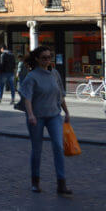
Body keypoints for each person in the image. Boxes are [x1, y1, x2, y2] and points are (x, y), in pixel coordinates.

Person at [19, 46, 72, 195]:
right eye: (44, 58)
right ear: (37, 59)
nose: (48, 60)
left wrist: (66, 112)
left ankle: (61, 184)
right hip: (37, 117)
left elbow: (60, 95)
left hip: (54, 115)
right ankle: (35, 182)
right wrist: (30, 115)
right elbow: (27, 98)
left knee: (58, 147)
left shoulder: (55, 74)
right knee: (37, 149)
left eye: (49, 57)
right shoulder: (32, 77)